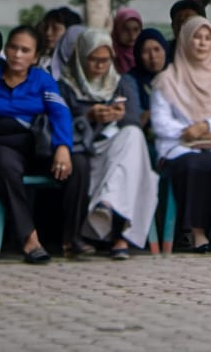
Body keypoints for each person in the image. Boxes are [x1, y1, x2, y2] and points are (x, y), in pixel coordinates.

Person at [0, 26, 77, 263]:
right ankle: (29, 239)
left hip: (34, 146)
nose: (17, 55)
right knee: (4, 163)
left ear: (35, 56)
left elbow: (60, 113)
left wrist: (63, 147)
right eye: (13, 47)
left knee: (79, 165)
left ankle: (73, 240)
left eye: (25, 50)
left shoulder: (43, 81)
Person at [150, 16, 211, 254]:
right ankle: (196, 232)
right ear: (185, 41)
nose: (202, 43)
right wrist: (187, 132)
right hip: (179, 145)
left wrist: (206, 126)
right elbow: (160, 121)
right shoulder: (167, 79)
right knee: (194, 164)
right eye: (196, 37)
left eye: (207, 38)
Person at [60, 28, 156, 259]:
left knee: (133, 135)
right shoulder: (66, 85)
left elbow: (133, 119)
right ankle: (119, 236)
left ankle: (108, 205)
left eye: (105, 60)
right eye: (93, 60)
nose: (100, 66)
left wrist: (118, 115)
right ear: (81, 57)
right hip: (83, 149)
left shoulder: (120, 83)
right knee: (132, 162)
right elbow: (62, 122)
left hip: (115, 149)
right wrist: (90, 117)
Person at [130, 27, 169, 116]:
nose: (153, 56)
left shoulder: (177, 75)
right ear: (138, 55)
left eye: (157, 49)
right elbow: (132, 121)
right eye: (145, 51)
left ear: (165, 50)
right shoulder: (130, 81)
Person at [111, 8, 142, 75]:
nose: (132, 35)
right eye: (125, 29)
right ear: (116, 30)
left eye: (136, 30)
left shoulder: (146, 54)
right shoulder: (109, 55)